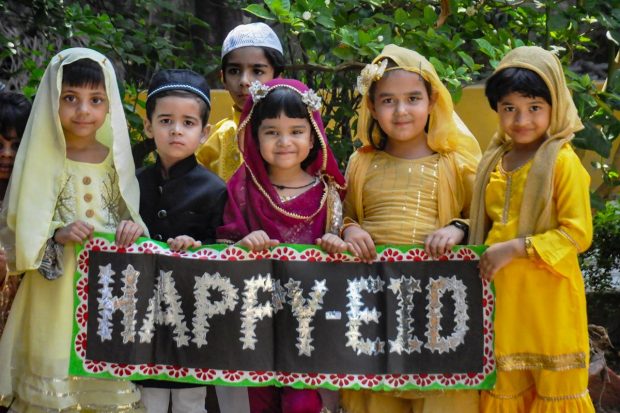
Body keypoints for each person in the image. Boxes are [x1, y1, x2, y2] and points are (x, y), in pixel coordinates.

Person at [0, 48, 146, 412]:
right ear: (54, 100)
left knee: (103, 377)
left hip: (105, 291)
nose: (84, 110)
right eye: (71, 99)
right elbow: (20, 224)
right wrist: (56, 232)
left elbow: (130, 217)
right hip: (53, 293)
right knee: (53, 371)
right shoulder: (40, 156)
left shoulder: (117, 161)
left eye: (96, 99)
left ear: (109, 103)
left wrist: (131, 228)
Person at [339, 44, 481, 412]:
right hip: (376, 307)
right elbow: (345, 215)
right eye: (388, 101)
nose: (401, 111)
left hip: (439, 312)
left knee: (439, 398)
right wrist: (350, 230)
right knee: (377, 397)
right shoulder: (361, 162)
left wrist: (458, 228)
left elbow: (483, 218)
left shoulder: (456, 164)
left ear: (432, 101)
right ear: (372, 107)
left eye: (413, 98)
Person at [470, 46, 595, 412]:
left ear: (555, 106)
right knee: (506, 384)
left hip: (549, 301)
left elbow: (577, 233)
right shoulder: (494, 159)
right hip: (502, 298)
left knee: (555, 387)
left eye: (534, 108)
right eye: (509, 108)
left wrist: (515, 248)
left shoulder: (562, 161)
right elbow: (487, 223)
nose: (521, 119)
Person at [217, 78, 346, 413]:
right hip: (256, 327)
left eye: (296, 131)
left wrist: (335, 241)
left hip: (312, 330)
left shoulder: (327, 194)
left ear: (314, 134)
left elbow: (342, 257)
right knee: (258, 402)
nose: (284, 141)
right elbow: (224, 248)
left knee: (303, 402)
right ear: (253, 134)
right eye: (272, 131)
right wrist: (244, 243)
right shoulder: (243, 189)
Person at [127, 68, 231, 413]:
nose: (176, 130)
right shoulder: (132, 184)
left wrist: (199, 245)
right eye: (166, 120)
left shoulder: (215, 189)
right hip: (141, 314)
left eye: (188, 123)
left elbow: (222, 247)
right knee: (146, 396)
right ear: (148, 126)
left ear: (205, 133)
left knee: (190, 398)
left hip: (192, 314)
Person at [196, 22, 285, 181]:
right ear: (223, 77)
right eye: (234, 71)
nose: (244, 81)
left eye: (257, 71)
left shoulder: (294, 134)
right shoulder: (216, 139)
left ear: (279, 77)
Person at [0, 92, 31, 340]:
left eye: (16, 145)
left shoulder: (37, 201)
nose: (7, 154)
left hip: (23, 328)